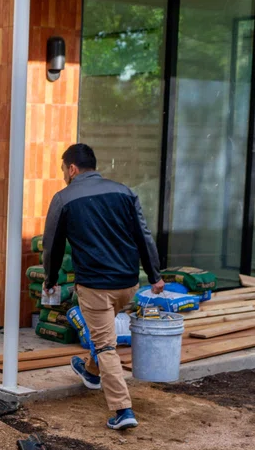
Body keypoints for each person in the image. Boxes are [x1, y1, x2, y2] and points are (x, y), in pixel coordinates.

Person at [42, 143, 164, 431]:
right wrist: (154, 275)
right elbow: (143, 235)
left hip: (95, 286)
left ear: (72, 169)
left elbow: (52, 245)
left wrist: (50, 279)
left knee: (106, 345)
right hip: (128, 284)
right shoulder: (124, 192)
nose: (63, 175)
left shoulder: (63, 198)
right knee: (103, 335)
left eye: (63, 169)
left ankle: (122, 410)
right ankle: (90, 371)